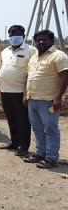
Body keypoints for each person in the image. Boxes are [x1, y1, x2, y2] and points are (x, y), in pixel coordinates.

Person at [23, 30, 68, 169]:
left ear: (51, 41)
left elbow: (64, 76)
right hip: (33, 99)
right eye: (38, 40)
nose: (41, 42)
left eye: (44, 40)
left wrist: (58, 97)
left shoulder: (58, 56)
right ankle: (40, 153)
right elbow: (29, 77)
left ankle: (51, 158)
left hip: (48, 100)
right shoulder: (34, 57)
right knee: (37, 128)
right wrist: (25, 94)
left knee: (50, 129)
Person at [0, 25, 37, 156]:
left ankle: (24, 147)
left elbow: (33, 72)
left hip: (20, 92)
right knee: (11, 118)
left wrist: (27, 92)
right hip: (5, 91)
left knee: (23, 120)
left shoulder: (31, 50)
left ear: (23, 36)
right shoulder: (4, 51)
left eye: (16, 34)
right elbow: (0, 70)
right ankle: (14, 142)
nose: (13, 37)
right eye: (11, 34)